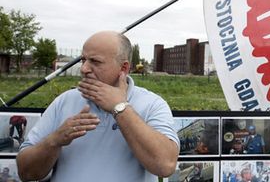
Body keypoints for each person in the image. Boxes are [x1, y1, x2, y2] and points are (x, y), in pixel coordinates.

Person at [16, 31, 179, 182]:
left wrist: (120, 107)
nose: (84, 69)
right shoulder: (64, 101)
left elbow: (165, 165)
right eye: (83, 60)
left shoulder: (152, 104)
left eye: (95, 61)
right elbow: (25, 172)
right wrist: (54, 140)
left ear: (123, 68)